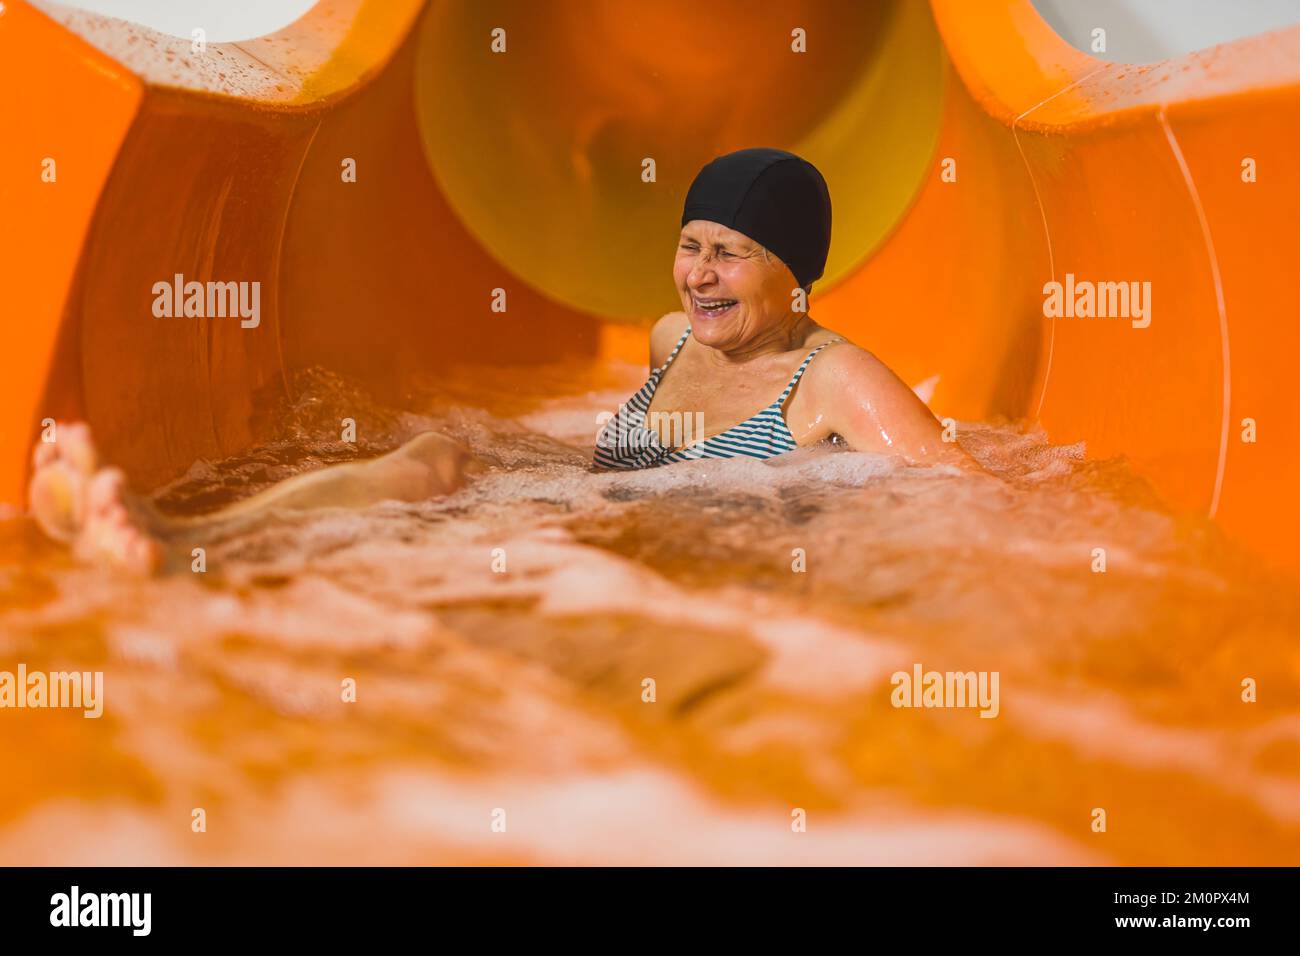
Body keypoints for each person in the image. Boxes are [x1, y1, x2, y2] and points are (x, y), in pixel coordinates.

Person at [27, 147, 971, 574]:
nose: (700, 274)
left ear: (795, 275)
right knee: (437, 453)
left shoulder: (839, 382)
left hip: (684, 555)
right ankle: (182, 540)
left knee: (443, 483)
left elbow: (973, 499)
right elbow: (615, 467)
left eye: (733, 252)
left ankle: (177, 549)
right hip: (601, 510)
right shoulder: (670, 336)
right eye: (691, 244)